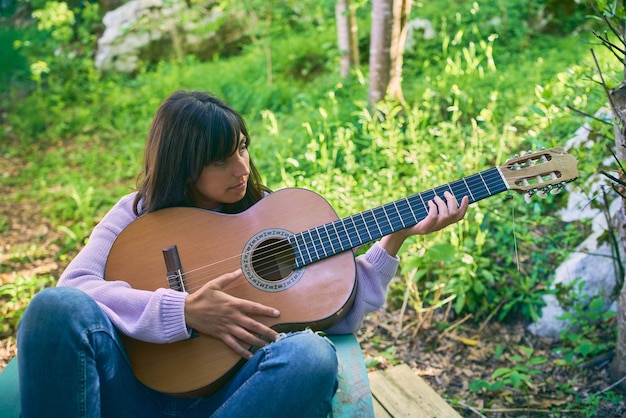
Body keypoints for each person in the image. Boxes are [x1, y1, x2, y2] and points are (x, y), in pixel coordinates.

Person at [16, 90, 469, 417]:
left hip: (234, 400)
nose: (241, 168)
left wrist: (393, 240)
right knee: (53, 306)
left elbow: (340, 314)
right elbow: (75, 291)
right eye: (220, 160)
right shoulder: (136, 214)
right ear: (182, 164)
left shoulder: (271, 216)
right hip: (131, 394)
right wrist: (184, 311)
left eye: (243, 148)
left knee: (311, 356)